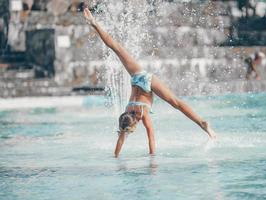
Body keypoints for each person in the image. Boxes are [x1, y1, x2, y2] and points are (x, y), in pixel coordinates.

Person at [83, 8, 217, 158]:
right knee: (116, 48)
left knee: (176, 103)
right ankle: (94, 24)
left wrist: (152, 160)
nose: (128, 133)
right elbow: (122, 136)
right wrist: (116, 157)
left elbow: (150, 136)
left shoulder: (142, 113)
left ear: (133, 125)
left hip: (147, 82)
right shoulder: (126, 115)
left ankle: (202, 123)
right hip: (137, 76)